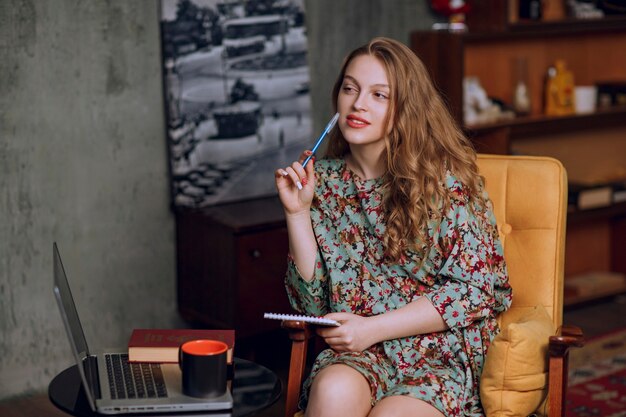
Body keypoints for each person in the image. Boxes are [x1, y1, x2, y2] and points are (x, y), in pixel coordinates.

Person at [274, 37, 512, 417]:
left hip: (439, 354)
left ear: (407, 108)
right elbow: (312, 306)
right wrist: (297, 213)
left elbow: (475, 291)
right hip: (360, 354)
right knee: (333, 390)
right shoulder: (323, 184)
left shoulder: (445, 182)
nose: (358, 104)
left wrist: (373, 328)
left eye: (379, 95)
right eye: (350, 88)